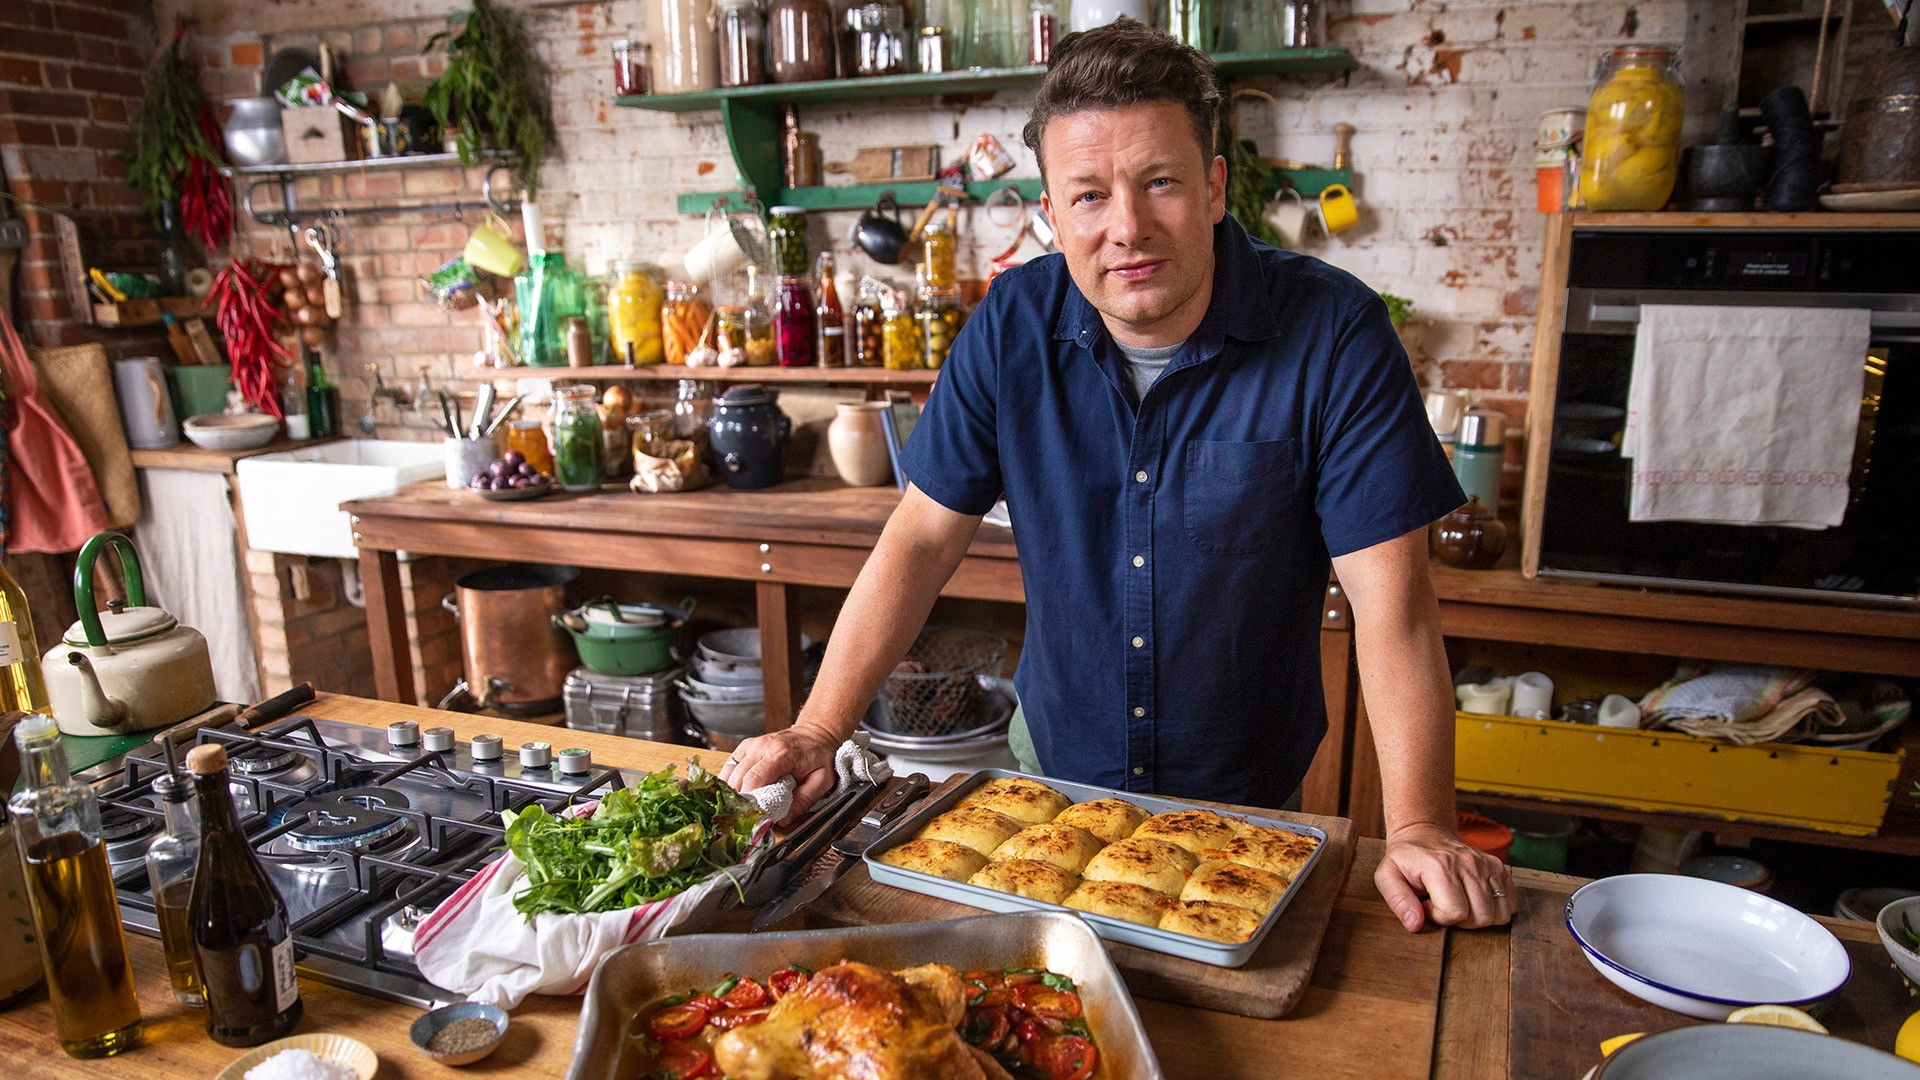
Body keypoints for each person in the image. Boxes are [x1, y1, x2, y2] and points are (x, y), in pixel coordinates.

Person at [721, 19, 1513, 931]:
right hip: (1049, 782)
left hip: (1249, 810)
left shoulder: (1334, 333)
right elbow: (920, 538)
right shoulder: (1011, 327)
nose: (1127, 228)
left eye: (1161, 182)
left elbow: (1394, 607)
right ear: (1052, 217)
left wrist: (1419, 824)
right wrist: (818, 730)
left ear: (1215, 186)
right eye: (1089, 196)